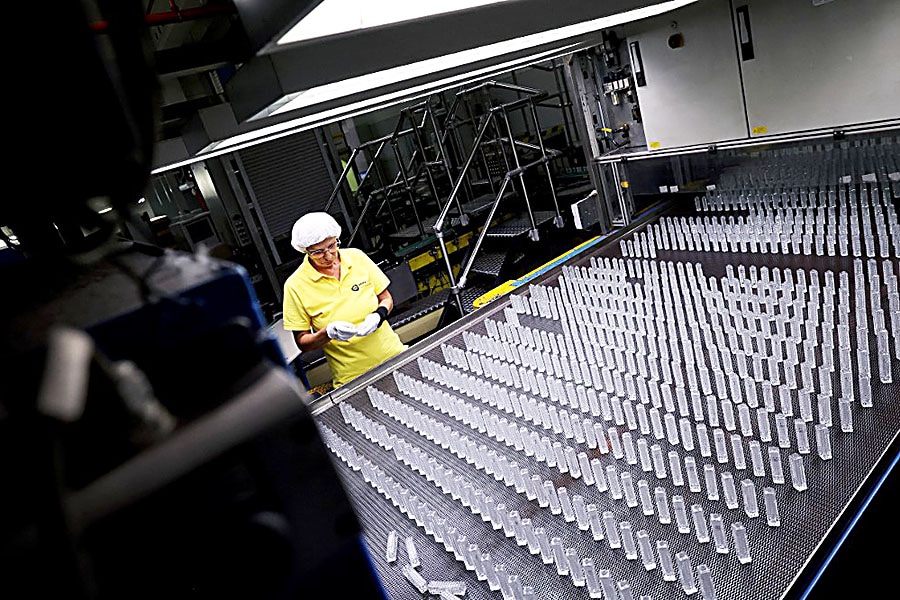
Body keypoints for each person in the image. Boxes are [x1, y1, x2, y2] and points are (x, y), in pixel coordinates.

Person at [282, 212, 408, 389]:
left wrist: (379, 315)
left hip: (395, 354)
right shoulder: (295, 286)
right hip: (352, 378)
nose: (329, 255)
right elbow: (302, 341)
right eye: (318, 252)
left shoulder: (356, 258)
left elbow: (385, 298)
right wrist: (327, 333)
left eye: (332, 246)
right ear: (306, 251)